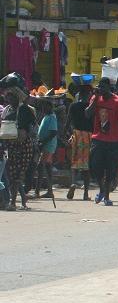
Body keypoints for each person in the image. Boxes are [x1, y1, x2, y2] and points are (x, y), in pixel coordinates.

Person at [85, 77, 118, 207]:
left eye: (103, 87)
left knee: (111, 170)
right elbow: (87, 114)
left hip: (115, 141)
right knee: (95, 166)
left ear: (109, 88)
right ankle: (101, 189)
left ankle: (106, 196)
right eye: (99, 87)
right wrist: (95, 99)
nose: (101, 89)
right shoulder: (95, 98)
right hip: (98, 139)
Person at [1, 74, 37, 210]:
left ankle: (13, 203)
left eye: (11, 96)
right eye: (7, 96)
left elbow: (33, 128)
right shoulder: (6, 111)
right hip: (9, 145)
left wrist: (26, 133)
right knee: (11, 174)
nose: (8, 98)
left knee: (18, 175)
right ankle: (21, 199)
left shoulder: (25, 110)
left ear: (17, 96)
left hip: (24, 146)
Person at [66, 83, 93, 200]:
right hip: (88, 136)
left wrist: (69, 134)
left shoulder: (73, 106)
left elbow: (67, 124)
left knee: (74, 162)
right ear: (89, 94)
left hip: (76, 135)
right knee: (86, 165)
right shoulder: (91, 107)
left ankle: (73, 182)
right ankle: (86, 193)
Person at [35, 99, 58, 199]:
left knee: (41, 166)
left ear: (50, 106)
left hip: (48, 145)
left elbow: (53, 132)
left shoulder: (52, 117)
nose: (43, 108)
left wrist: (42, 142)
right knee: (47, 167)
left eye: (45, 106)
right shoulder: (46, 116)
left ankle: (37, 191)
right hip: (45, 145)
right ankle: (49, 190)